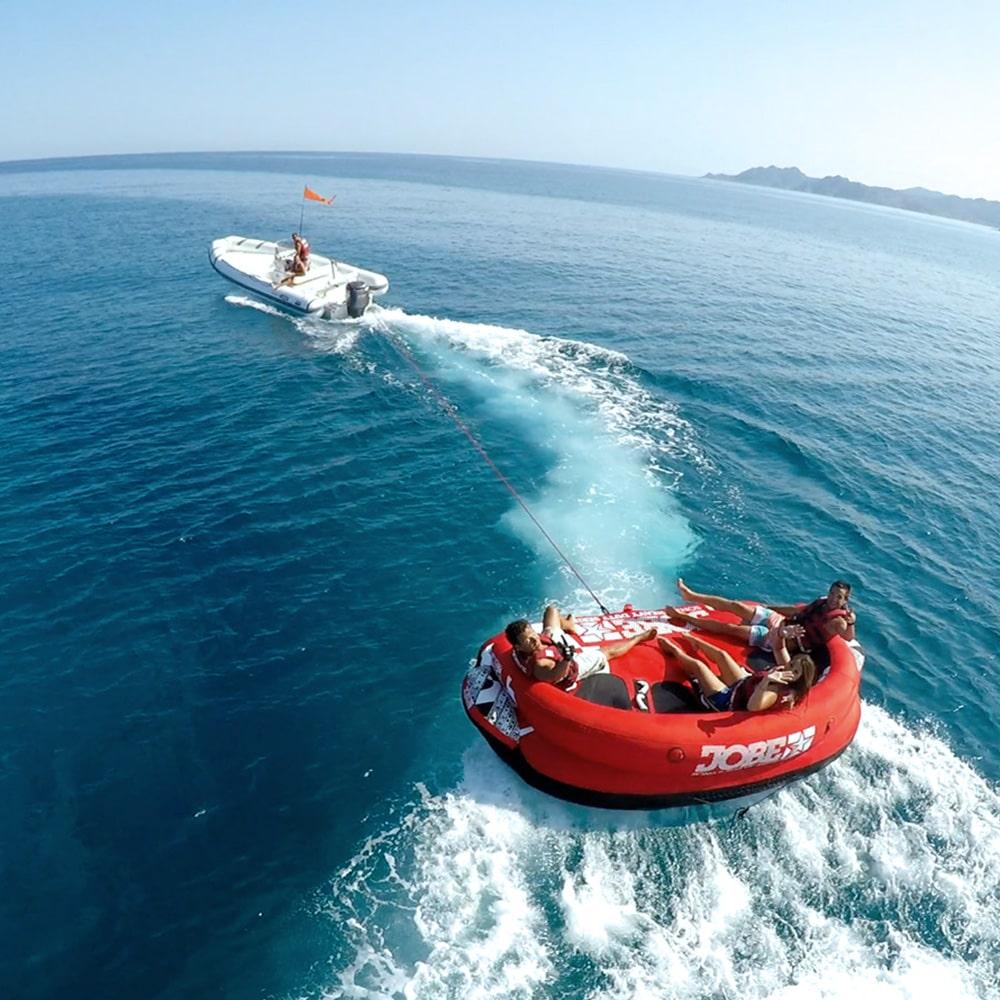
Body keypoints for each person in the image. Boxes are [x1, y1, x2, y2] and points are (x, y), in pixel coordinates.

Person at [664, 579, 856, 654]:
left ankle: (683, 617)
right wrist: (767, 608)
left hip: (782, 639)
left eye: (838, 597)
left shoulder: (838, 621)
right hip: (782, 622)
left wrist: (852, 623)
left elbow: (848, 637)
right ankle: (691, 595)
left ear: (845, 600)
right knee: (736, 606)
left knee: (732, 629)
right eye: (832, 593)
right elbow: (797, 611)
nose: (833, 598)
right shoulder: (822, 602)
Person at [658, 629, 816, 712]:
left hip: (728, 702)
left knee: (699, 667)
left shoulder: (777, 693)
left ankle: (674, 651)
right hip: (742, 686)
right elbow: (779, 647)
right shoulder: (786, 671)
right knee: (723, 655)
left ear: (800, 679)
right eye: (791, 664)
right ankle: (695, 641)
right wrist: (782, 634)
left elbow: (752, 707)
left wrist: (766, 681)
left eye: (795, 672)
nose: (790, 669)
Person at [505, 606, 657, 691]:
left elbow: (538, 638)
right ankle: (639, 638)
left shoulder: (533, 643)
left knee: (551, 611)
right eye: (528, 640)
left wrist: (550, 641)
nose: (534, 639)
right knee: (606, 652)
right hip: (571, 664)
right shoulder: (540, 663)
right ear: (518, 646)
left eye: (533, 633)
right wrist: (566, 659)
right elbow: (555, 676)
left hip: (555, 646)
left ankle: (568, 625)